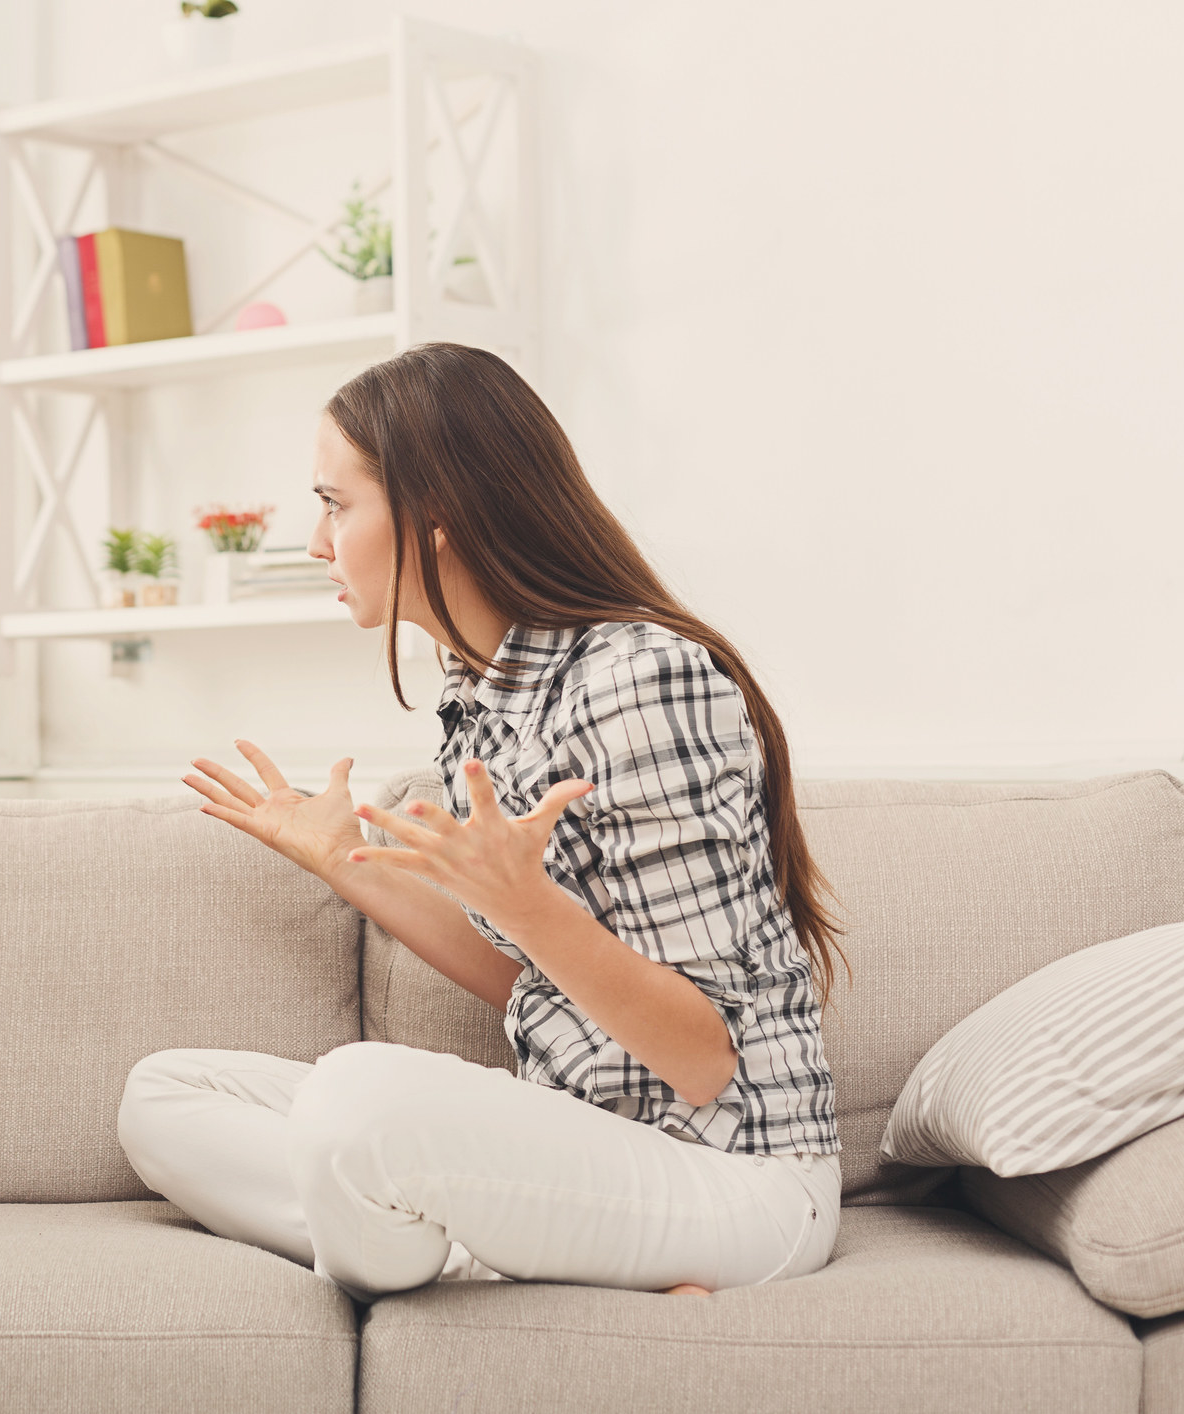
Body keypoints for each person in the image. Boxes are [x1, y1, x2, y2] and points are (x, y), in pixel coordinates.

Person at [119, 342, 844, 1302]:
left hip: (731, 1174)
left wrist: (533, 906)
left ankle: (421, 1238)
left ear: (434, 516)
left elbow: (706, 1058)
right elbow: (536, 987)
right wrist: (348, 865)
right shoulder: (482, 693)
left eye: (335, 503)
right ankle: (456, 1243)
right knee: (165, 1098)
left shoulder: (638, 678)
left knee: (355, 1100)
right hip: (583, 1134)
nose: (313, 541)